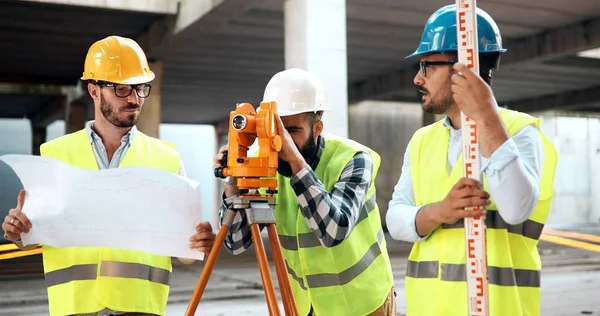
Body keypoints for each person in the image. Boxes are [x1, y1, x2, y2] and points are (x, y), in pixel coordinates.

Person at [1, 35, 216, 316]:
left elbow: (184, 253)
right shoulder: (54, 156)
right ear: (94, 91)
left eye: (140, 88)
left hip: (140, 308)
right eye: (122, 90)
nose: (135, 99)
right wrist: (16, 232)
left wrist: (200, 244)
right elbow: (34, 235)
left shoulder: (167, 159)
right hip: (74, 307)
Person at [385, 4, 559, 316]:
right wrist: (440, 211)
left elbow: (517, 208)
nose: (417, 78)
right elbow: (395, 219)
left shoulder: (519, 131)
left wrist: (487, 118)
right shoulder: (422, 141)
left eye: (427, 66)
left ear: (463, 68)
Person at [214, 68, 396, 316]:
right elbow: (235, 243)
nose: (281, 142)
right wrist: (233, 184)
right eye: (276, 131)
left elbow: (335, 230)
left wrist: (297, 164)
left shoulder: (354, 159)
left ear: (317, 127)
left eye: (292, 131)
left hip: (362, 303)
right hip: (306, 306)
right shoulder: (262, 164)